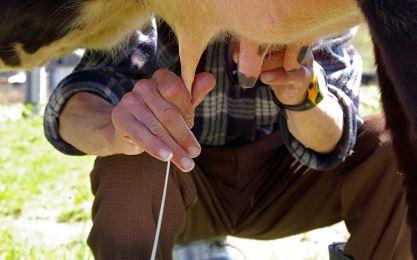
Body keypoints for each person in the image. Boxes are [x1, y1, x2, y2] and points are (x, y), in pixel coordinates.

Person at [44, 19, 411, 259]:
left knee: (399, 145)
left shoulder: (313, 13)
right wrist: (115, 129)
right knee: (138, 148)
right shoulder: (149, 12)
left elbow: (332, 141)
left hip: (285, 185)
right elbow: (79, 97)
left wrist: (305, 95)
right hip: (184, 184)